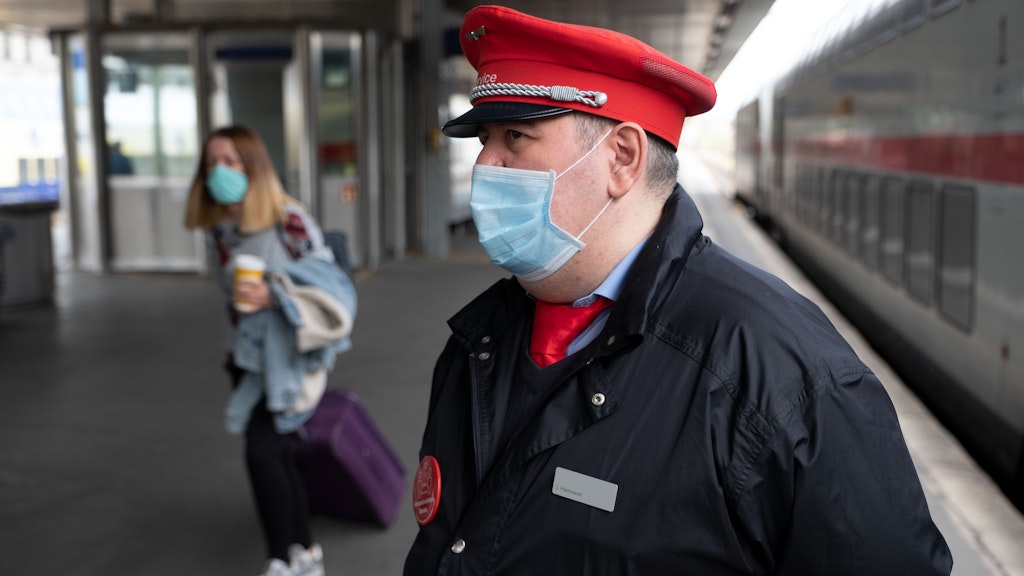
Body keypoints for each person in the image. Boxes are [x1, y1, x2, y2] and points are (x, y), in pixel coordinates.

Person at [404, 6, 952, 575]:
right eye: (484, 139)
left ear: (621, 158)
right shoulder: (478, 343)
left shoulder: (779, 374)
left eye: (515, 136)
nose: (484, 164)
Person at [184, 125, 356, 576]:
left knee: (261, 454)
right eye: (211, 163)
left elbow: (331, 281)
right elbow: (230, 295)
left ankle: (281, 558)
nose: (218, 171)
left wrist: (275, 295)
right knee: (276, 453)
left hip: (289, 363)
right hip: (244, 358)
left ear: (253, 166)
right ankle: (305, 553)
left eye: (229, 161)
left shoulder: (289, 221)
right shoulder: (222, 231)